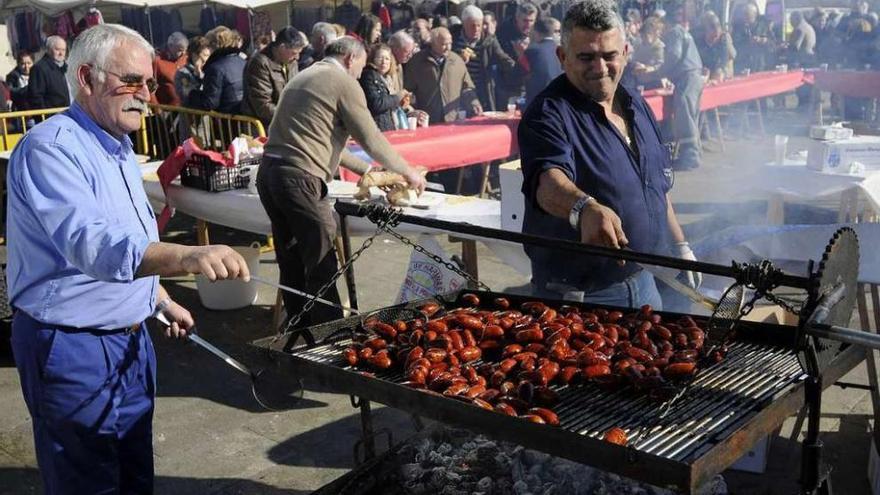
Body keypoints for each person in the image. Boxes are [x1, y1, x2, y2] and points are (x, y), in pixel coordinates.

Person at [6, 24, 251, 495]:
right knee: (87, 481)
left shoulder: (116, 145)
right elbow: (93, 244)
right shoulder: (51, 149)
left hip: (132, 342)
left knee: (134, 475)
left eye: (151, 83)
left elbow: (130, 238)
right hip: (70, 345)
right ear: (86, 77)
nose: (146, 95)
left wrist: (157, 298)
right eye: (132, 82)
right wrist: (189, 255)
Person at [518, 0, 698, 310]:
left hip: (645, 283)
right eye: (585, 57)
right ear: (562, 57)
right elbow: (547, 181)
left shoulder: (636, 105)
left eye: (609, 55)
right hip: (580, 297)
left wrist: (680, 245)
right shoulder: (547, 114)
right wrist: (584, 208)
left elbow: (654, 184)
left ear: (626, 53)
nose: (599, 68)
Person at [258, 37, 426, 326]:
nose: (361, 74)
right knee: (322, 263)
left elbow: (328, 143)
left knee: (292, 261)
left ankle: (297, 331)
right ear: (350, 58)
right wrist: (407, 170)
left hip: (271, 174)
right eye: (361, 67)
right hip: (300, 179)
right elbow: (371, 137)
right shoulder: (342, 81)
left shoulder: (304, 76)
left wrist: (369, 172)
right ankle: (330, 335)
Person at [655, 8, 704, 170]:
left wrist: (659, 72)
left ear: (665, 23)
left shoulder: (675, 32)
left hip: (687, 77)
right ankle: (692, 153)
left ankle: (690, 157)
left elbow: (674, 56)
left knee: (685, 114)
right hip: (693, 76)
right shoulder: (682, 31)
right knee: (690, 114)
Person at [404, 26, 482, 124]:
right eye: (444, 44)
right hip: (427, 120)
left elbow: (467, 87)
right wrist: (412, 111)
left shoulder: (457, 60)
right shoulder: (417, 62)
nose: (448, 48)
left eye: (450, 43)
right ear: (433, 43)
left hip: (453, 119)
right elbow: (407, 91)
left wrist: (474, 103)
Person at [451, 5, 516, 111]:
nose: (476, 29)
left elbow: (503, 58)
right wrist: (458, 60)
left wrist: (520, 69)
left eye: (479, 25)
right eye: (472, 26)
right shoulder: (453, 39)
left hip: (481, 90)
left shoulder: (489, 40)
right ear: (463, 24)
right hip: (458, 90)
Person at [242, 26, 307, 127]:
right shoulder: (260, 63)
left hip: (284, 120)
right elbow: (262, 105)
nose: (297, 57)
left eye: (299, 53)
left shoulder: (292, 62)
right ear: (281, 47)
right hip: (263, 125)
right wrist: (290, 116)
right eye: (294, 53)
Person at [188, 28, 246, 114]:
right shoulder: (242, 61)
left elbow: (210, 102)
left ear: (214, 45)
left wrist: (192, 94)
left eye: (208, 45)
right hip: (243, 115)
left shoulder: (215, 68)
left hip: (227, 119)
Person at [359, 43, 411, 131]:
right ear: (372, 59)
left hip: (388, 126)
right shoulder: (369, 76)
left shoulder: (387, 79)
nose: (384, 62)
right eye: (380, 58)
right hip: (376, 128)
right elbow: (377, 104)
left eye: (387, 59)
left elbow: (389, 104)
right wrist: (398, 96)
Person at [496, 2, 538, 107]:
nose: (528, 24)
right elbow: (501, 59)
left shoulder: (538, 33)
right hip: (509, 85)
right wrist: (521, 55)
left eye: (531, 21)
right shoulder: (504, 33)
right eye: (525, 20)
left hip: (532, 84)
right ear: (517, 18)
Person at [524, 16, 562, 106]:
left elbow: (515, 76)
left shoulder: (531, 51)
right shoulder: (564, 51)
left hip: (538, 105)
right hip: (561, 103)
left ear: (536, 33)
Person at [27, 36, 70, 110]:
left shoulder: (65, 67)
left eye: (63, 50)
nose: (61, 53)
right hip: (52, 116)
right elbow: (35, 97)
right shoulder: (39, 68)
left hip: (66, 114)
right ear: (48, 50)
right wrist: (47, 116)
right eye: (57, 49)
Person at [732, 3, 775, 72]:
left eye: (747, 13)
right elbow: (735, 47)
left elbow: (774, 45)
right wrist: (747, 42)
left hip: (761, 66)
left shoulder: (764, 27)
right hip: (744, 67)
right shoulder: (738, 28)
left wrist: (764, 41)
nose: (744, 16)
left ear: (754, 14)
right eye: (743, 13)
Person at [696, 14, 736, 82]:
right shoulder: (697, 42)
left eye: (718, 25)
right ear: (703, 30)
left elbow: (724, 58)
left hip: (720, 76)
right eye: (712, 27)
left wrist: (720, 70)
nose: (717, 30)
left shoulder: (723, 39)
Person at [152, 32, 188, 105]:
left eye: (185, 50)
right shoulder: (157, 61)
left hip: (188, 108)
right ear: (170, 46)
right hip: (168, 110)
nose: (183, 53)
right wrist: (157, 109)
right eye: (180, 50)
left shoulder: (186, 58)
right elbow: (151, 89)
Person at [175, 36, 211, 106]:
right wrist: (198, 76)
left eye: (209, 55)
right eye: (205, 55)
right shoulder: (182, 73)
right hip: (191, 114)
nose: (207, 59)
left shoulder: (209, 70)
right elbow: (186, 95)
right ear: (194, 55)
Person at [631, 15, 666, 86]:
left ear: (654, 33)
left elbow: (662, 65)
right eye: (642, 35)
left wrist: (649, 68)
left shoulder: (659, 46)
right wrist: (635, 64)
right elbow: (633, 59)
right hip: (640, 82)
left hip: (655, 82)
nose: (643, 38)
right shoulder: (638, 44)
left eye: (646, 34)